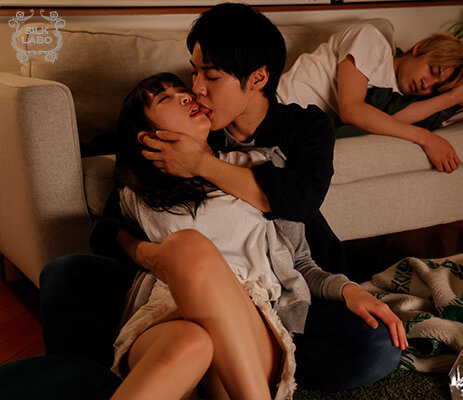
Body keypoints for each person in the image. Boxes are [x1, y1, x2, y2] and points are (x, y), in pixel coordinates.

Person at [40, 3, 404, 393]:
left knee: (377, 346)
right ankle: (202, 364)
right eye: (194, 72)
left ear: (258, 77)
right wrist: (154, 257)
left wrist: (200, 163)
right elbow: (114, 221)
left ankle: (225, 362)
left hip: (280, 290)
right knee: (64, 273)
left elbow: (299, 203)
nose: (195, 88)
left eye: (210, 76)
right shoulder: (191, 127)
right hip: (178, 289)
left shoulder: (300, 129)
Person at [109, 72, 407, 399]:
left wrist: (346, 288)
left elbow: (300, 263)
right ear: (147, 136)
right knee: (193, 341)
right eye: (166, 98)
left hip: (250, 322)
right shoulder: (137, 191)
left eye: (183, 90)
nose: (187, 95)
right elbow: (106, 233)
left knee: (187, 246)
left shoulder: (257, 167)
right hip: (166, 314)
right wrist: (148, 254)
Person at [277, 23, 463, 173]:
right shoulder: (371, 39)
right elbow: (352, 110)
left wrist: (452, 98)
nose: (427, 84)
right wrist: (427, 138)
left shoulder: (395, 98)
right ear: (420, 48)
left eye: (435, 88)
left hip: (295, 132)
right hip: (276, 108)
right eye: (433, 71)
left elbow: (387, 121)